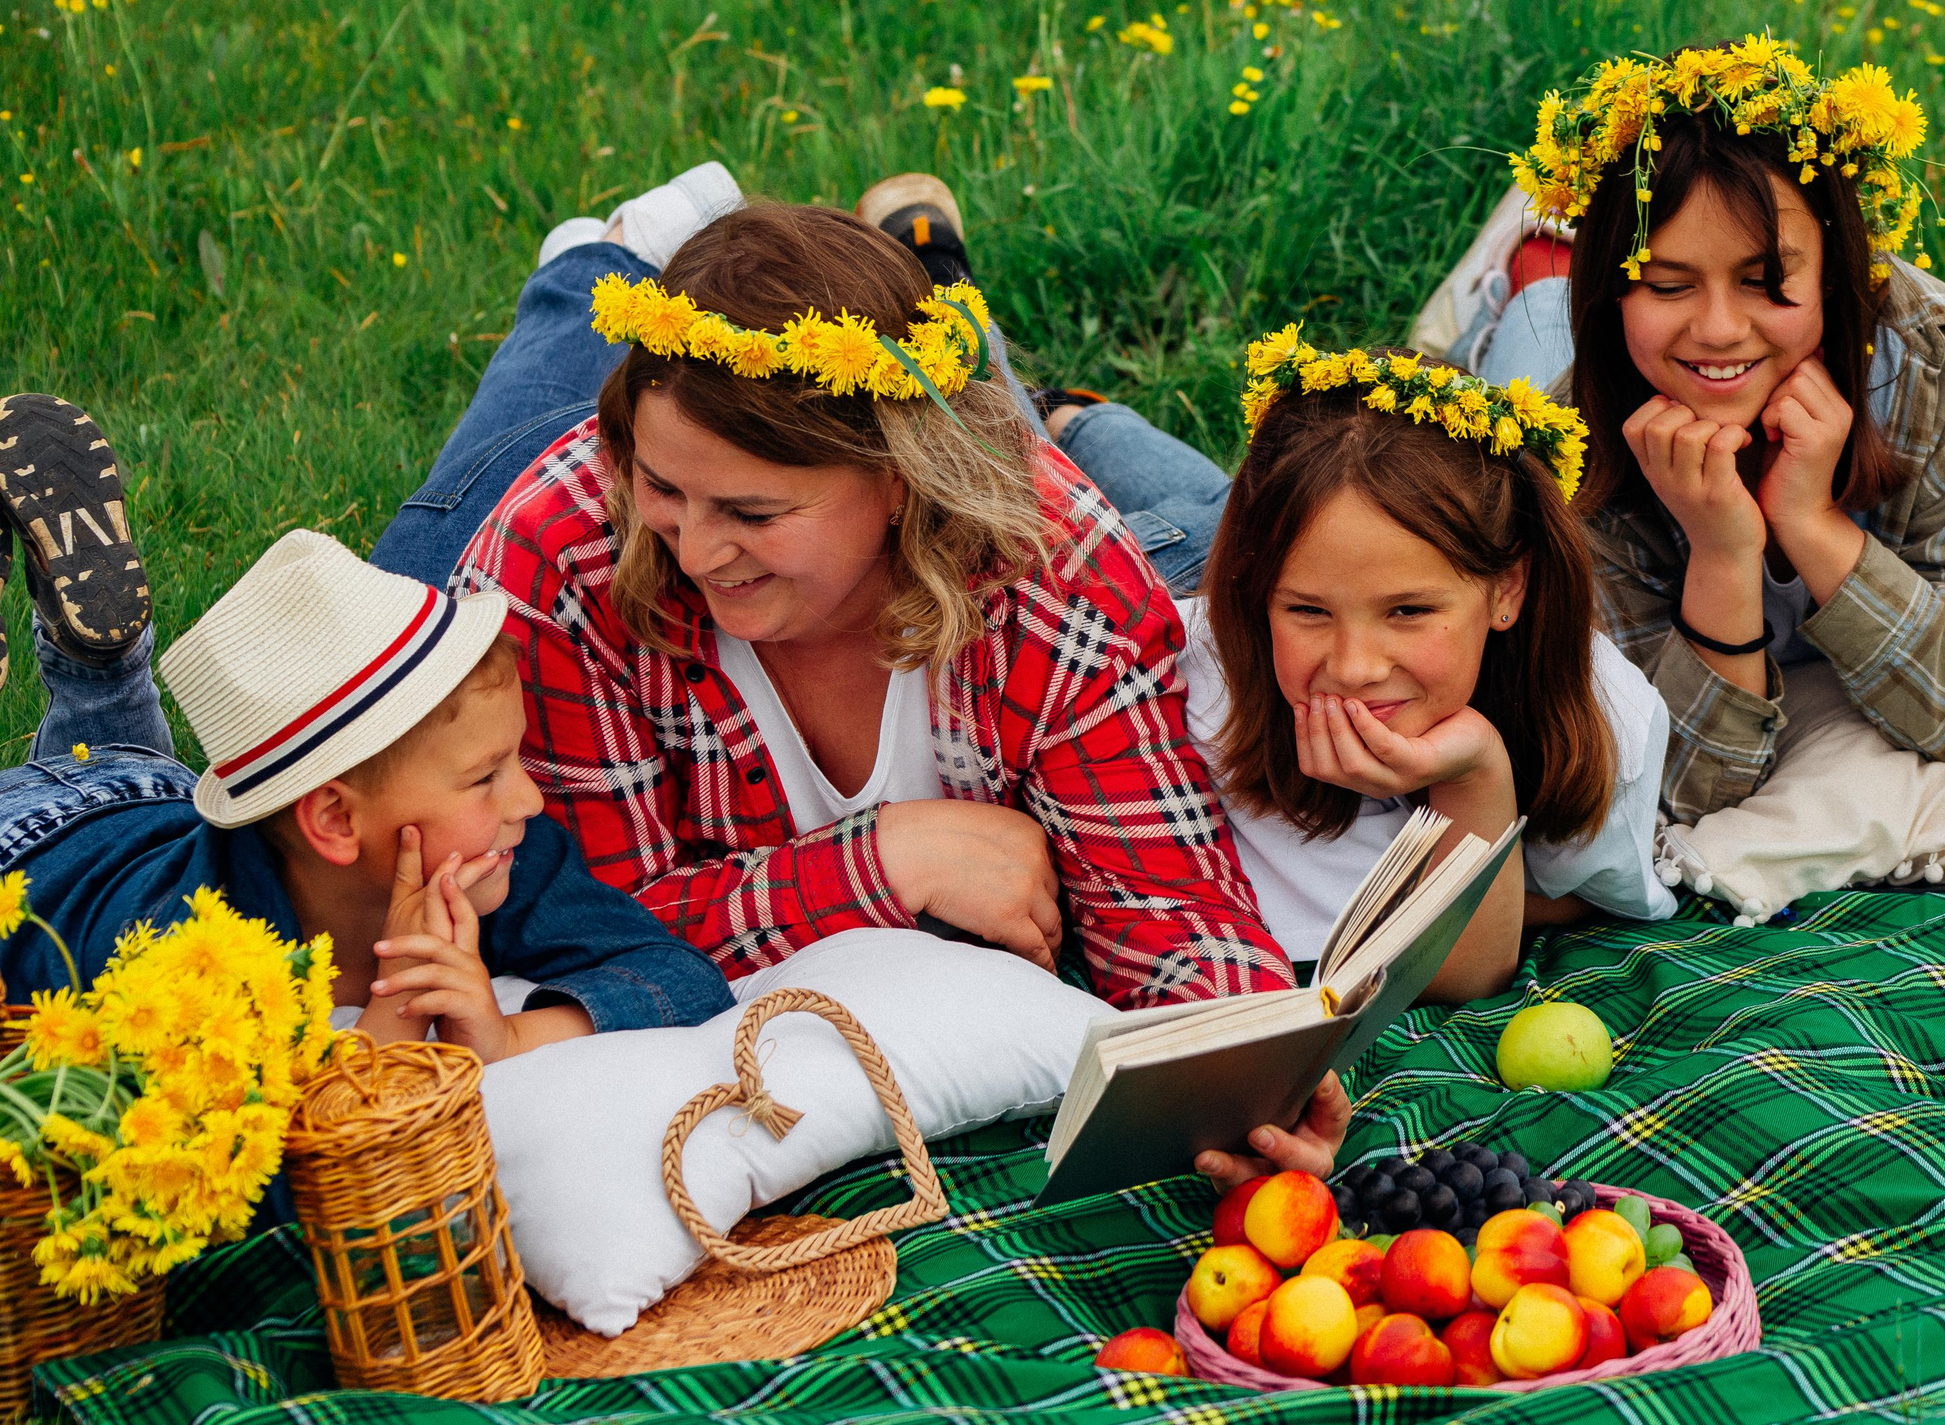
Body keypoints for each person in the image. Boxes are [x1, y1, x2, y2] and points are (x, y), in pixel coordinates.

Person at [411, 174, 1300, 1025]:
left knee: (1208, 539)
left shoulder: (1059, 570)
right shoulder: (559, 565)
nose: (699, 549)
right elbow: (597, 934)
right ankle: (598, 260)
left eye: (753, 511)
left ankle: (1040, 390)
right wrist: (884, 858)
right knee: (464, 499)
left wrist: (1246, 1055)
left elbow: (1169, 905)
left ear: (901, 482)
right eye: (664, 486)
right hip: (503, 499)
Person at [1421, 39, 1945, 820]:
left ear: (1838, 266)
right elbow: (1675, 784)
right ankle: (1521, 269)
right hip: (1556, 340)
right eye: (1668, 282)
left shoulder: (1942, 369)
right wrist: (1723, 551)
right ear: (1615, 295)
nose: (1719, 328)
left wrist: (1811, 526)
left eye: (1767, 280)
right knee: (1529, 329)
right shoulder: (1567, 448)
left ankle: (1549, 260)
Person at [0, 413, 735, 1062]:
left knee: (129, 760)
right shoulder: (190, 952)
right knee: (101, 763)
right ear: (336, 818)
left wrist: (508, 1035)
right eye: (486, 776)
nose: (530, 801)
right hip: (28, 842)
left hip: (163, 800)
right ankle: (105, 670)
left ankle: (101, 667)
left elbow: (682, 978)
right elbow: (239, 1156)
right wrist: (388, 1026)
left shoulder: (496, 863)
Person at [1052, 340, 1679, 1002]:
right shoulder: (1190, 696)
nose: (1354, 668)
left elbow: (1568, 907)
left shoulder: (1614, 723)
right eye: (1308, 613)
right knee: (1008, 465)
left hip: (1295, 545)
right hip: (1164, 566)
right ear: (1259, 590)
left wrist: (1478, 769)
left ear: (1508, 588)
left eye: (1408, 610)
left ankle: (1079, 419)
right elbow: (1449, 955)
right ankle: (1046, 404)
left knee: (1213, 500)